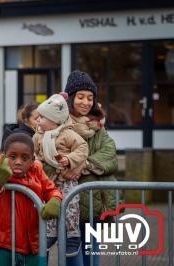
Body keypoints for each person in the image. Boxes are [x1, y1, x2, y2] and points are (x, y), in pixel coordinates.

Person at [63, 70, 119, 266]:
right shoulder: (60, 125)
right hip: (70, 204)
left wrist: (83, 165)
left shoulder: (98, 126)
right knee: (73, 258)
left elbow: (110, 155)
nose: (85, 102)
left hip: (94, 205)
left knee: (92, 256)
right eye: (80, 97)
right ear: (70, 98)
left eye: (90, 98)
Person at [0, 132, 63, 266]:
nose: (18, 162)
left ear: (32, 159)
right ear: (4, 156)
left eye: (24, 158)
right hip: (4, 244)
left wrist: (55, 199)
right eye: (12, 157)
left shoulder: (36, 169)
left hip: (33, 244)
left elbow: (51, 189)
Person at [33, 93, 88, 262]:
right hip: (48, 181)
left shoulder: (67, 134)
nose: (38, 120)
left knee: (71, 207)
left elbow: (83, 148)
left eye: (42, 117)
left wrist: (70, 159)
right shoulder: (38, 136)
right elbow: (33, 152)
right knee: (47, 207)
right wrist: (36, 161)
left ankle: (72, 236)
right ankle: (49, 234)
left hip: (66, 179)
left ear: (54, 121)